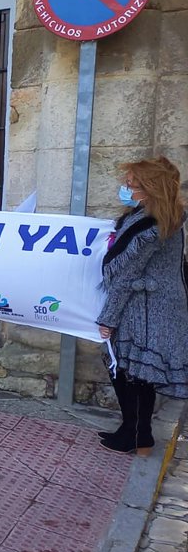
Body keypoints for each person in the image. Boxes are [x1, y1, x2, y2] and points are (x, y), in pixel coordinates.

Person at [96, 157, 188, 454]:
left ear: (149, 188)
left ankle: (137, 435)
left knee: (129, 372)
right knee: (136, 373)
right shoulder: (158, 217)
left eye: (131, 184)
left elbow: (126, 275)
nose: (125, 187)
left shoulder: (150, 226)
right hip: (153, 306)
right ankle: (134, 432)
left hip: (144, 310)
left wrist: (108, 319)